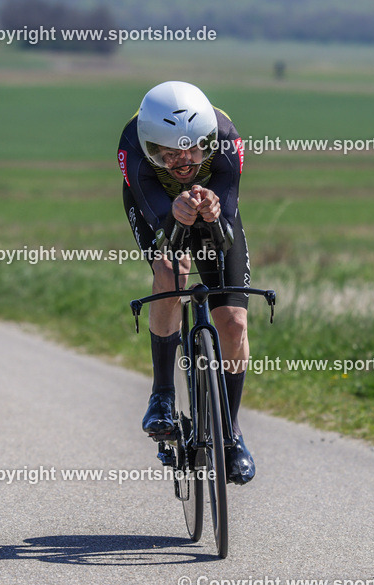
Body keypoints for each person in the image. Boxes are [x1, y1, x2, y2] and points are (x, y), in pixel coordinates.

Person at [117, 81, 255, 484]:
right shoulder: (132, 147)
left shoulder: (226, 138)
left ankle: (230, 434)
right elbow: (159, 219)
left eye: (194, 148)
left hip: (213, 206)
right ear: (150, 148)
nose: (184, 160)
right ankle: (161, 394)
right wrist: (173, 214)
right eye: (170, 152)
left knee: (232, 322)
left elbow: (226, 223)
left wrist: (212, 211)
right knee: (170, 271)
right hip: (157, 205)